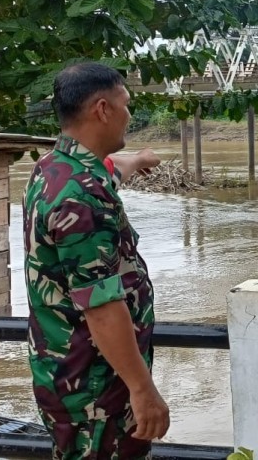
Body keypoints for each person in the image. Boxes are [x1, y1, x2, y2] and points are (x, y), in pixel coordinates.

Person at [22, 62, 169, 459]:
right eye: (126, 105)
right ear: (102, 110)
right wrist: (144, 391)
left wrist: (137, 159)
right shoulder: (82, 199)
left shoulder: (53, 169)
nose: (130, 115)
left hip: (67, 374)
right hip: (96, 392)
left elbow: (110, 171)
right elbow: (101, 306)